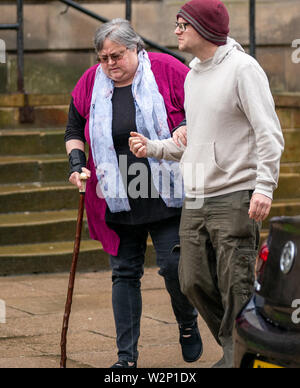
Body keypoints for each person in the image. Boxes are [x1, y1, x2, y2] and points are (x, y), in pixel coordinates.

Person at [129, 0, 285, 368]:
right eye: (176, 23)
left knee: (237, 286)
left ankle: (239, 358)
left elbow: (269, 133)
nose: (176, 31)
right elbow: (192, 141)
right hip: (196, 197)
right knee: (191, 280)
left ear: (205, 28)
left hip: (235, 194)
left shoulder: (244, 70)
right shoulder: (192, 74)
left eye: (183, 24)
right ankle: (239, 349)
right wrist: (153, 147)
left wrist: (264, 187)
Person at [64, 18, 202, 368]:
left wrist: (186, 125)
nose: (110, 64)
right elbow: (74, 126)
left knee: (174, 268)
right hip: (116, 192)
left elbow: (201, 108)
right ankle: (126, 359)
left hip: (166, 189)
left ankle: (187, 324)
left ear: (136, 48)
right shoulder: (89, 83)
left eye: (117, 55)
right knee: (124, 273)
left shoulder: (168, 69)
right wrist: (76, 163)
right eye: (103, 57)